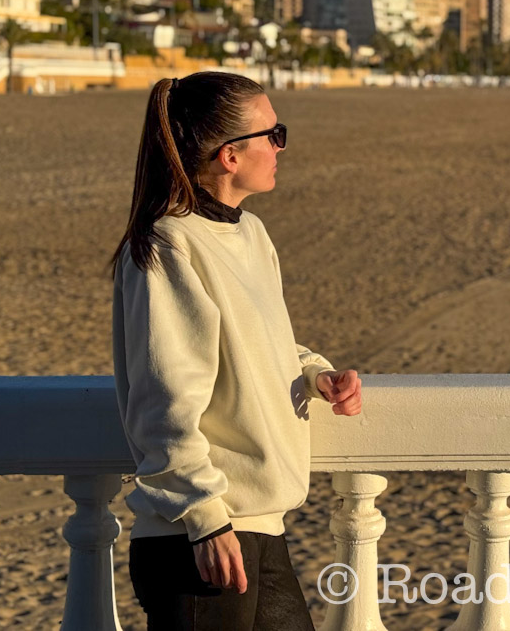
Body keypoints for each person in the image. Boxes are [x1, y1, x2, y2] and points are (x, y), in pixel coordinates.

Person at [108, 71, 362, 630]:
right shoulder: (168, 244)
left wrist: (315, 373)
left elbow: (261, 341)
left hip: (261, 526)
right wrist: (204, 519)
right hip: (200, 539)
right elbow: (163, 398)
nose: (280, 147)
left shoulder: (250, 233)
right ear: (229, 155)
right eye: (273, 134)